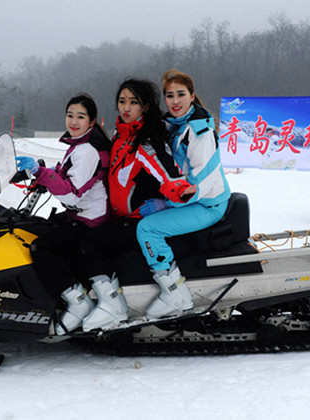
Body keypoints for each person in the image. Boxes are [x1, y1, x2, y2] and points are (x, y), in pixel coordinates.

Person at [75, 78, 190, 334]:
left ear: (145, 107)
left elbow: (168, 172)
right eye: (122, 101)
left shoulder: (146, 140)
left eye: (133, 102)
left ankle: (112, 305)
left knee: (92, 243)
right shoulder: (121, 136)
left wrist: (175, 195)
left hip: (140, 219)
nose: (126, 108)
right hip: (121, 216)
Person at [135, 69, 231, 320]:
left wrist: (166, 203)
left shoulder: (199, 131)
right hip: (193, 199)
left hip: (207, 203)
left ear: (192, 96)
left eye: (181, 94)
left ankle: (174, 292)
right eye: (169, 95)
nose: (175, 101)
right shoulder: (175, 124)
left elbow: (200, 181)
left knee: (147, 229)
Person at [15, 93, 112, 334]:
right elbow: (65, 175)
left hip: (90, 220)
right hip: (78, 214)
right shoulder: (78, 145)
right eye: (70, 115)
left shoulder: (87, 150)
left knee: (43, 248)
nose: (74, 121)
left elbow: (72, 193)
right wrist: (42, 174)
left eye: (81, 116)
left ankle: (78, 302)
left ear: (92, 122)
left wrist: (41, 173)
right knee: (35, 228)